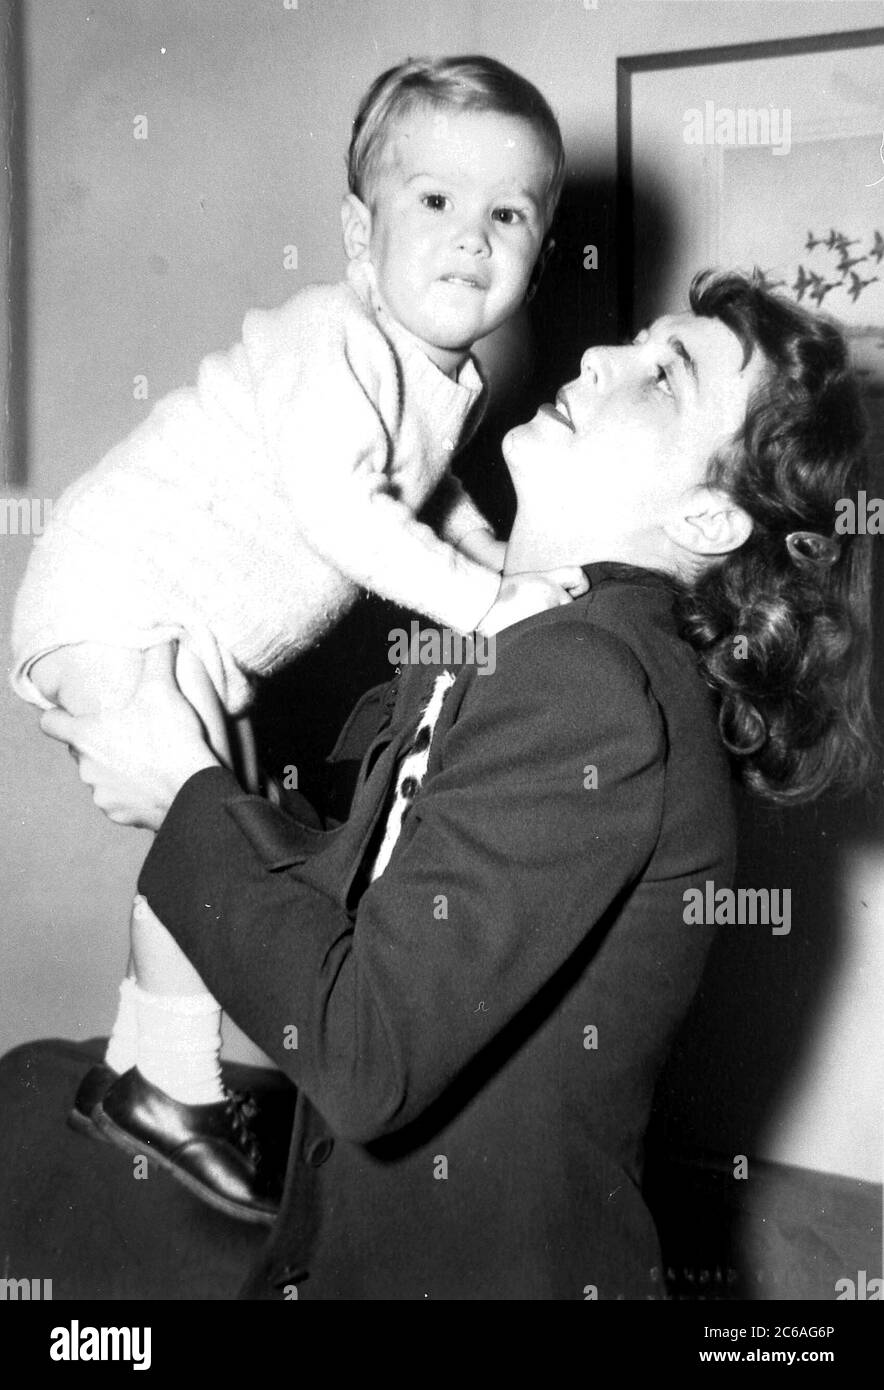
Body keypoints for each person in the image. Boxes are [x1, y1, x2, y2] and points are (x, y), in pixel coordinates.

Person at [15, 270, 875, 1300]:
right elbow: (378, 934)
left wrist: (182, 795)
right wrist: (213, 780)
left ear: (703, 519)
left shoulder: (590, 684)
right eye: (637, 340)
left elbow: (367, 1056)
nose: (602, 359)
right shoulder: (514, 632)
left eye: (665, 373)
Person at [8, 56, 584, 1223]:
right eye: (433, 201)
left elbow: (433, 503)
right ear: (356, 233)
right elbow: (340, 509)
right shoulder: (334, 339)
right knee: (198, 820)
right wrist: (480, 606)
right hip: (118, 582)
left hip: (198, 630)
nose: (471, 237)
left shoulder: (448, 380)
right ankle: (163, 1090)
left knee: (205, 832)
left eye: (507, 214)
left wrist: (508, 577)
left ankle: (141, 1072)